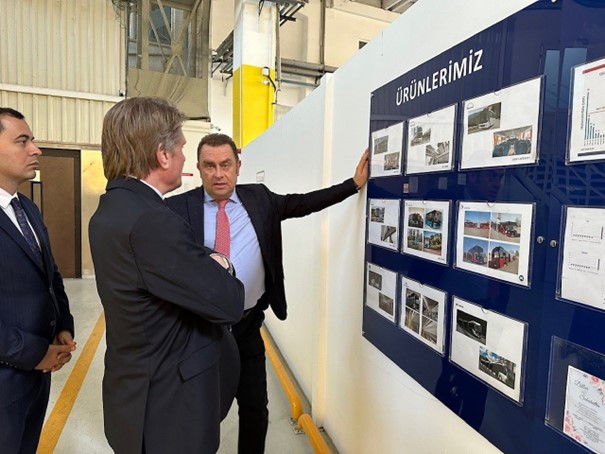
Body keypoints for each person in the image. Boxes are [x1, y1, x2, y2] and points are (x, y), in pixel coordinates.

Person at [167, 133, 369, 453]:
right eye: (209, 166)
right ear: (199, 167)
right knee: (199, 414)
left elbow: (303, 203)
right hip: (200, 332)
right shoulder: (177, 208)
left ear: (238, 166)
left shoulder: (259, 198)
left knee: (255, 410)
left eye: (225, 165)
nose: (218, 174)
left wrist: (353, 184)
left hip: (247, 327)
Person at [88, 97, 245, 454]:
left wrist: (197, 260)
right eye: (182, 148)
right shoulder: (153, 221)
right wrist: (221, 264)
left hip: (136, 392)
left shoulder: (112, 209)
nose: (184, 158)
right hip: (170, 408)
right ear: (163, 155)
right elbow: (228, 302)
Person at [0, 108, 76, 454]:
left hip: (35, 377)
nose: (36, 149)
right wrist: (34, 353)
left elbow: (50, 273)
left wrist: (63, 324)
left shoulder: (26, 208)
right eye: (22, 141)